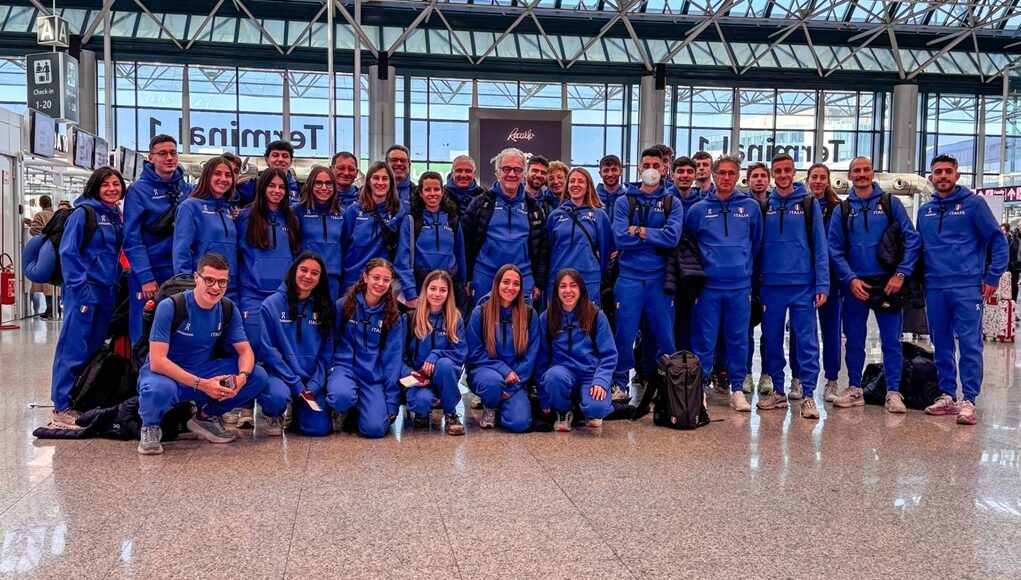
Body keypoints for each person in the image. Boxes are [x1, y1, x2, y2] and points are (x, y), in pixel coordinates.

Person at [136, 252, 277, 454]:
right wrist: (202, 385)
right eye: (209, 280)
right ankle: (150, 427)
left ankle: (205, 417)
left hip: (203, 370)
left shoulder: (228, 308)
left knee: (257, 375)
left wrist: (242, 377)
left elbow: (245, 351)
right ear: (196, 278)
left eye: (222, 282)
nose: (215, 287)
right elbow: (158, 361)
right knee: (158, 389)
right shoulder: (171, 307)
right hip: (167, 374)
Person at [917, 154, 1008, 425]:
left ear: (957, 175)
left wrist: (992, 276)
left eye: (948, 171)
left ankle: (969, 399)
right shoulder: (925, 210)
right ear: (931, 177)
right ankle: (948, 395)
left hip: (967, 286)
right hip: (935, 286)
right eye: (938, 172)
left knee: (969, 344)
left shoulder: (974, 205)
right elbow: (918, 248)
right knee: (941, 343)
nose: (943, 176)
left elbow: (997, 240)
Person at [828, 156, 921, 412]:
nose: (861, 174)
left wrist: (901, 274)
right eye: (856, 171)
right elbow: (834, 249)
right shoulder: (842, 210)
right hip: (856, 286)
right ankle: (854, 388)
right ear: (849, 176)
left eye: (866, 170)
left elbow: (912, 239)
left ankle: (893, 392)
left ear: (873, 173)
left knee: (891, 342)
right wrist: (850, 279)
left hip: (888, 284)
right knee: (854, 341)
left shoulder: (891, 203)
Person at [685, 155, 763, 412]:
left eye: (731, 173)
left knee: (738, 339)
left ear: (737, 176)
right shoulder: (698, 210)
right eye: (722, 173)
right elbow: (690, 246)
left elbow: (756, 244)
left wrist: (742, 267)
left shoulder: (750, 208)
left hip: (740, 287)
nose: (726, 178)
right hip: (708, 288)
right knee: (703, 339)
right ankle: (700, 389)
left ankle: (737, 389)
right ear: (714, 176)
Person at [49, 167, 126, 428]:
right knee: (72, 347)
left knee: (93, 348)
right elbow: (68, 252)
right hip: (83, 291)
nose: (112, 189)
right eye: (105, 184)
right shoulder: (83, 214)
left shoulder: (114, 216)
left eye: (116, 184)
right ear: (95, 187)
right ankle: (61, 406)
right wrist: (80, 289)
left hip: (106, 291)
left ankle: (82, 398)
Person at [755, 154, 829, 419]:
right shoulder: (765, 206)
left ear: (794, 172)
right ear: (773, 174)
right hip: (771, 285)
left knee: (807, 342)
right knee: (772, 341)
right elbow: (757, 248)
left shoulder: (809, 204)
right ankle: (777, 391)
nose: (783, 175)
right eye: (778, 171)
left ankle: (808, 394)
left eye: (787, 170)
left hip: (802, 285)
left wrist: (822, 283)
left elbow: (820, 245)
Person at [610, 147, 683, 401]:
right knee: (624, 334)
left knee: (665, 337)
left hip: (659, 280)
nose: (651, 170)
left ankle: (667, 384)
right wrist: (654, 236)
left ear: (664, 168)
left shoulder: (672, 203)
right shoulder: (624, 201)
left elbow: (672, 238)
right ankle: (620, 383)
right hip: (629, 279)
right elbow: (620, 238)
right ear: (639, 168)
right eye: (646, 165)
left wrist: (639, 231)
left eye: (656, 165)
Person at [123, 134, 194, 343]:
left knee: (179, 329)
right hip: (150, 273)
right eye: (162, 154)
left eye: (173, 153)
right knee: (144, 329)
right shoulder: (137, 191)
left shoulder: (186, 189)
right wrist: (146, 277)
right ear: (151, 157)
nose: (169, 158)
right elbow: (132, 239)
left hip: (179, 271)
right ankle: (141, 364)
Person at [258, 252, 335, 437]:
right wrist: (294, 383)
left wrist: (315, 384)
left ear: (320, 278)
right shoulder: (271, 305)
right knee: (277, 397)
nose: (308, 276)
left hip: (310, 379)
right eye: (304, 270)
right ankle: (275, 414)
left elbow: (326, 352)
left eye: (315, 273)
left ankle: (298, 413)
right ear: (294, 271)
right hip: (280, 375)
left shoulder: (324, 306)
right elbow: (268, 351)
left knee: (319, 429)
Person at [326, 258, 405, 438]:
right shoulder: (343, 305)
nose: (380, 283)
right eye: (376, 277)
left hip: (371, 376)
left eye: (386, 280)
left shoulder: (392, 316)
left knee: (375, 429)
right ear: (365, 277)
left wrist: (391, 401)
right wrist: (330, 371)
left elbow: (392, 360)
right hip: (344, 369)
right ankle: (343, 406)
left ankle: (358, 410)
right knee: (341, 396)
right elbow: (330, 342)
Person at [463, 147, 550, 307]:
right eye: (506, 169)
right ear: (497, 172)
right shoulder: (481, 203)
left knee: (522, 322)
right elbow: (466, 243)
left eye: (517, 170)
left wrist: (539, 282)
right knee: (483, 321)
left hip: (523, 276)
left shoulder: (534, 207)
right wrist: (467, 277)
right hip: (485, 275)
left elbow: (542, 248)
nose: (512, 174)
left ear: (524, 174)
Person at [537, 268, 617, 431]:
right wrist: (544, 397)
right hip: (562, 373)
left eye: (573, 285)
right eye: (563, 286)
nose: (568, 290)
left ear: (581, 289)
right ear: (556, 291)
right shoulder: (546, 317)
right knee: (553, 376)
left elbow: (609, 355)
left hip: (590, 374)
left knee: (598, 409)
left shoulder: (596, 315)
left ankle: (587, 409)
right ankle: (563, 411)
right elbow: (541, 359)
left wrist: (601, 381)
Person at [466, 264, 540, 432]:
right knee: (493, 382)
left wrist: (512, 385)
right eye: (506, 282)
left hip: (516, 378)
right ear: (497, 283)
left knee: (519, 424)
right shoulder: (481, 312)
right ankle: (490, 405)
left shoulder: (529, 315)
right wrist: (503, 370)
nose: (510, 287)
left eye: (516, 284)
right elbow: (474, 353)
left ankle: (503, 404)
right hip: (486, 372)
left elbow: (531, 356)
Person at [793, 162, 843, 401]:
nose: (818, 182)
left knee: (831, 329)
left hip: (829, 277)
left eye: (823, 177)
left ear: (828, 181)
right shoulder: (799, 205)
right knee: (800, 331)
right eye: (814, 177)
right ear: (807, 180)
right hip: (802, 277)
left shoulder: (838, 209)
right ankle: (797, 378)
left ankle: (831, 380)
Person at [236, 168, 301, 345]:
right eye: (272, 186)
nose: (277, 191)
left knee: (281, 347)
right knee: (254, 345)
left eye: (282, 187)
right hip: (252, 295)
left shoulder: (293, 220)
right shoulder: (243, 217)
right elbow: (236, 256)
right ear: (262, 187)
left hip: (283, 296)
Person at [401, 270, 468, 435]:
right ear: (425, 290)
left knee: (445, 364)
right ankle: (422, 411)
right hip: (417, 378)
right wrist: (410, 373)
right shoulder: (410, 318)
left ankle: (451, 413)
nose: (437, 294)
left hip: (444, 378)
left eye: (443, 290)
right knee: (421, 403)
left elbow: (460, 352)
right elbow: (398, 356)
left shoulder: (455, 319)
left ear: (448, 293)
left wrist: (436, 355)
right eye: (433, 288)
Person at [395, 171, 467, 309]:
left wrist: (463, 283)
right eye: (427, 189)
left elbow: (460, 253)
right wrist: (410, 293)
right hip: (420, 285)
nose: (432, 193)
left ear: (442, 192)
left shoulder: (452, 218)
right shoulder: (411, 220)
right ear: (420, 193)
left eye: (436, 189)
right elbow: (402, 259)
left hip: (449, 284)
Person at [172, 156, 239, 301]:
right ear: (207, 176)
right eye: (217, 173)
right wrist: (186, 286)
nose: (223, 179)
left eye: (228, 175)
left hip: (230, 286)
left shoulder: (229, 210)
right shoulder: (190, 207)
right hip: (203, 286)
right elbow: (181, 251)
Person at [546, 168, 613, 306]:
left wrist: (596, 274)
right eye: (572, 181)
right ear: (567, 186)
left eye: (580, 181)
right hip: (559, 278)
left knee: (588, 318)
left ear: (588, 187)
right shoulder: (555, 216)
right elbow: (548, 249)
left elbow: (606, 252)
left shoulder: (599, 215)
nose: (575, 184)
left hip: (588, 279)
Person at [340, 161, 408, 294]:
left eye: (385, 178)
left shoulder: (399, 212)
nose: (380, 182)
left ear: (391, 182)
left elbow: (402, 252)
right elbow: (343, 245)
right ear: (369, 181)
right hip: (353, 278)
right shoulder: (354, 211)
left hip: (382, 282)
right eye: (376, 178)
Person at [739, 162, 770, 396]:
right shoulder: (742, 206)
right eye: (754, 176)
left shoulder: (776, 205)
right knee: (745, 328)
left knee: (770, 329)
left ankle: (767, 373)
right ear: (748, 180)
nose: (759, 180)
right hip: (747, 276)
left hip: (771, 276)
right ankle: (746, 371)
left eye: (762, 176)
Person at [293, 166, 345, 300]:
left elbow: (345, 245)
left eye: (328, 183)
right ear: (310, 184)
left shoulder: (342, 213)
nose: (324, 187)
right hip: (306, 277)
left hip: (332, 278)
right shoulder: (297, 211)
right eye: (318, 183)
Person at [668, 156, 703, 353]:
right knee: (664, 325)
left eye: (689, 172)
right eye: (680, 171)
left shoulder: (702, 204)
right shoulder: (663, 201)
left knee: (689, 324)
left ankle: (685, 366)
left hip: (692, 273)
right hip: (666, 272)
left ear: (695, 175)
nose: (685, 176)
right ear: (672, 175)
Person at [235, 140, 300, 207]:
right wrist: (234, 185)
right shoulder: (252, 185)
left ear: (291, 161)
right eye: (275, 155)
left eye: (285, 156)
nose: (280, 159)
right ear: (267, 160)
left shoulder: (301, 188)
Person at [26, 195, 55, 317]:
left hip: (45, 250)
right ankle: (55, 307)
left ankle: (50, 308)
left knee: (45, 280)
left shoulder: (40, 215)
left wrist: (30, 224)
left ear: (40, 204)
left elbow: (35, 231)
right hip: (57, 249)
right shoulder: (56, 214)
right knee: (55, 281)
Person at [445, 154, 486, 219]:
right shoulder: (442, 195)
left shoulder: (484, 196)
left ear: (474, 173)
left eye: (468, 171)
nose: (463, 175)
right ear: (452, 173)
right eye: (459, 171)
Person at [597, 154, 626, 220]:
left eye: (614, 170)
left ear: (621, 172)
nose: (610, 174)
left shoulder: (628, 198)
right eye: (606, 170)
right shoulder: (593, 198)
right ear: (600, 174)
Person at [1009, 222, 1021, 300]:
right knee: (1014, 285)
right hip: (1015, 265)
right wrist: (1012, 263)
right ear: (1018, 226)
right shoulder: (1013, 237)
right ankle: (1013, 302)